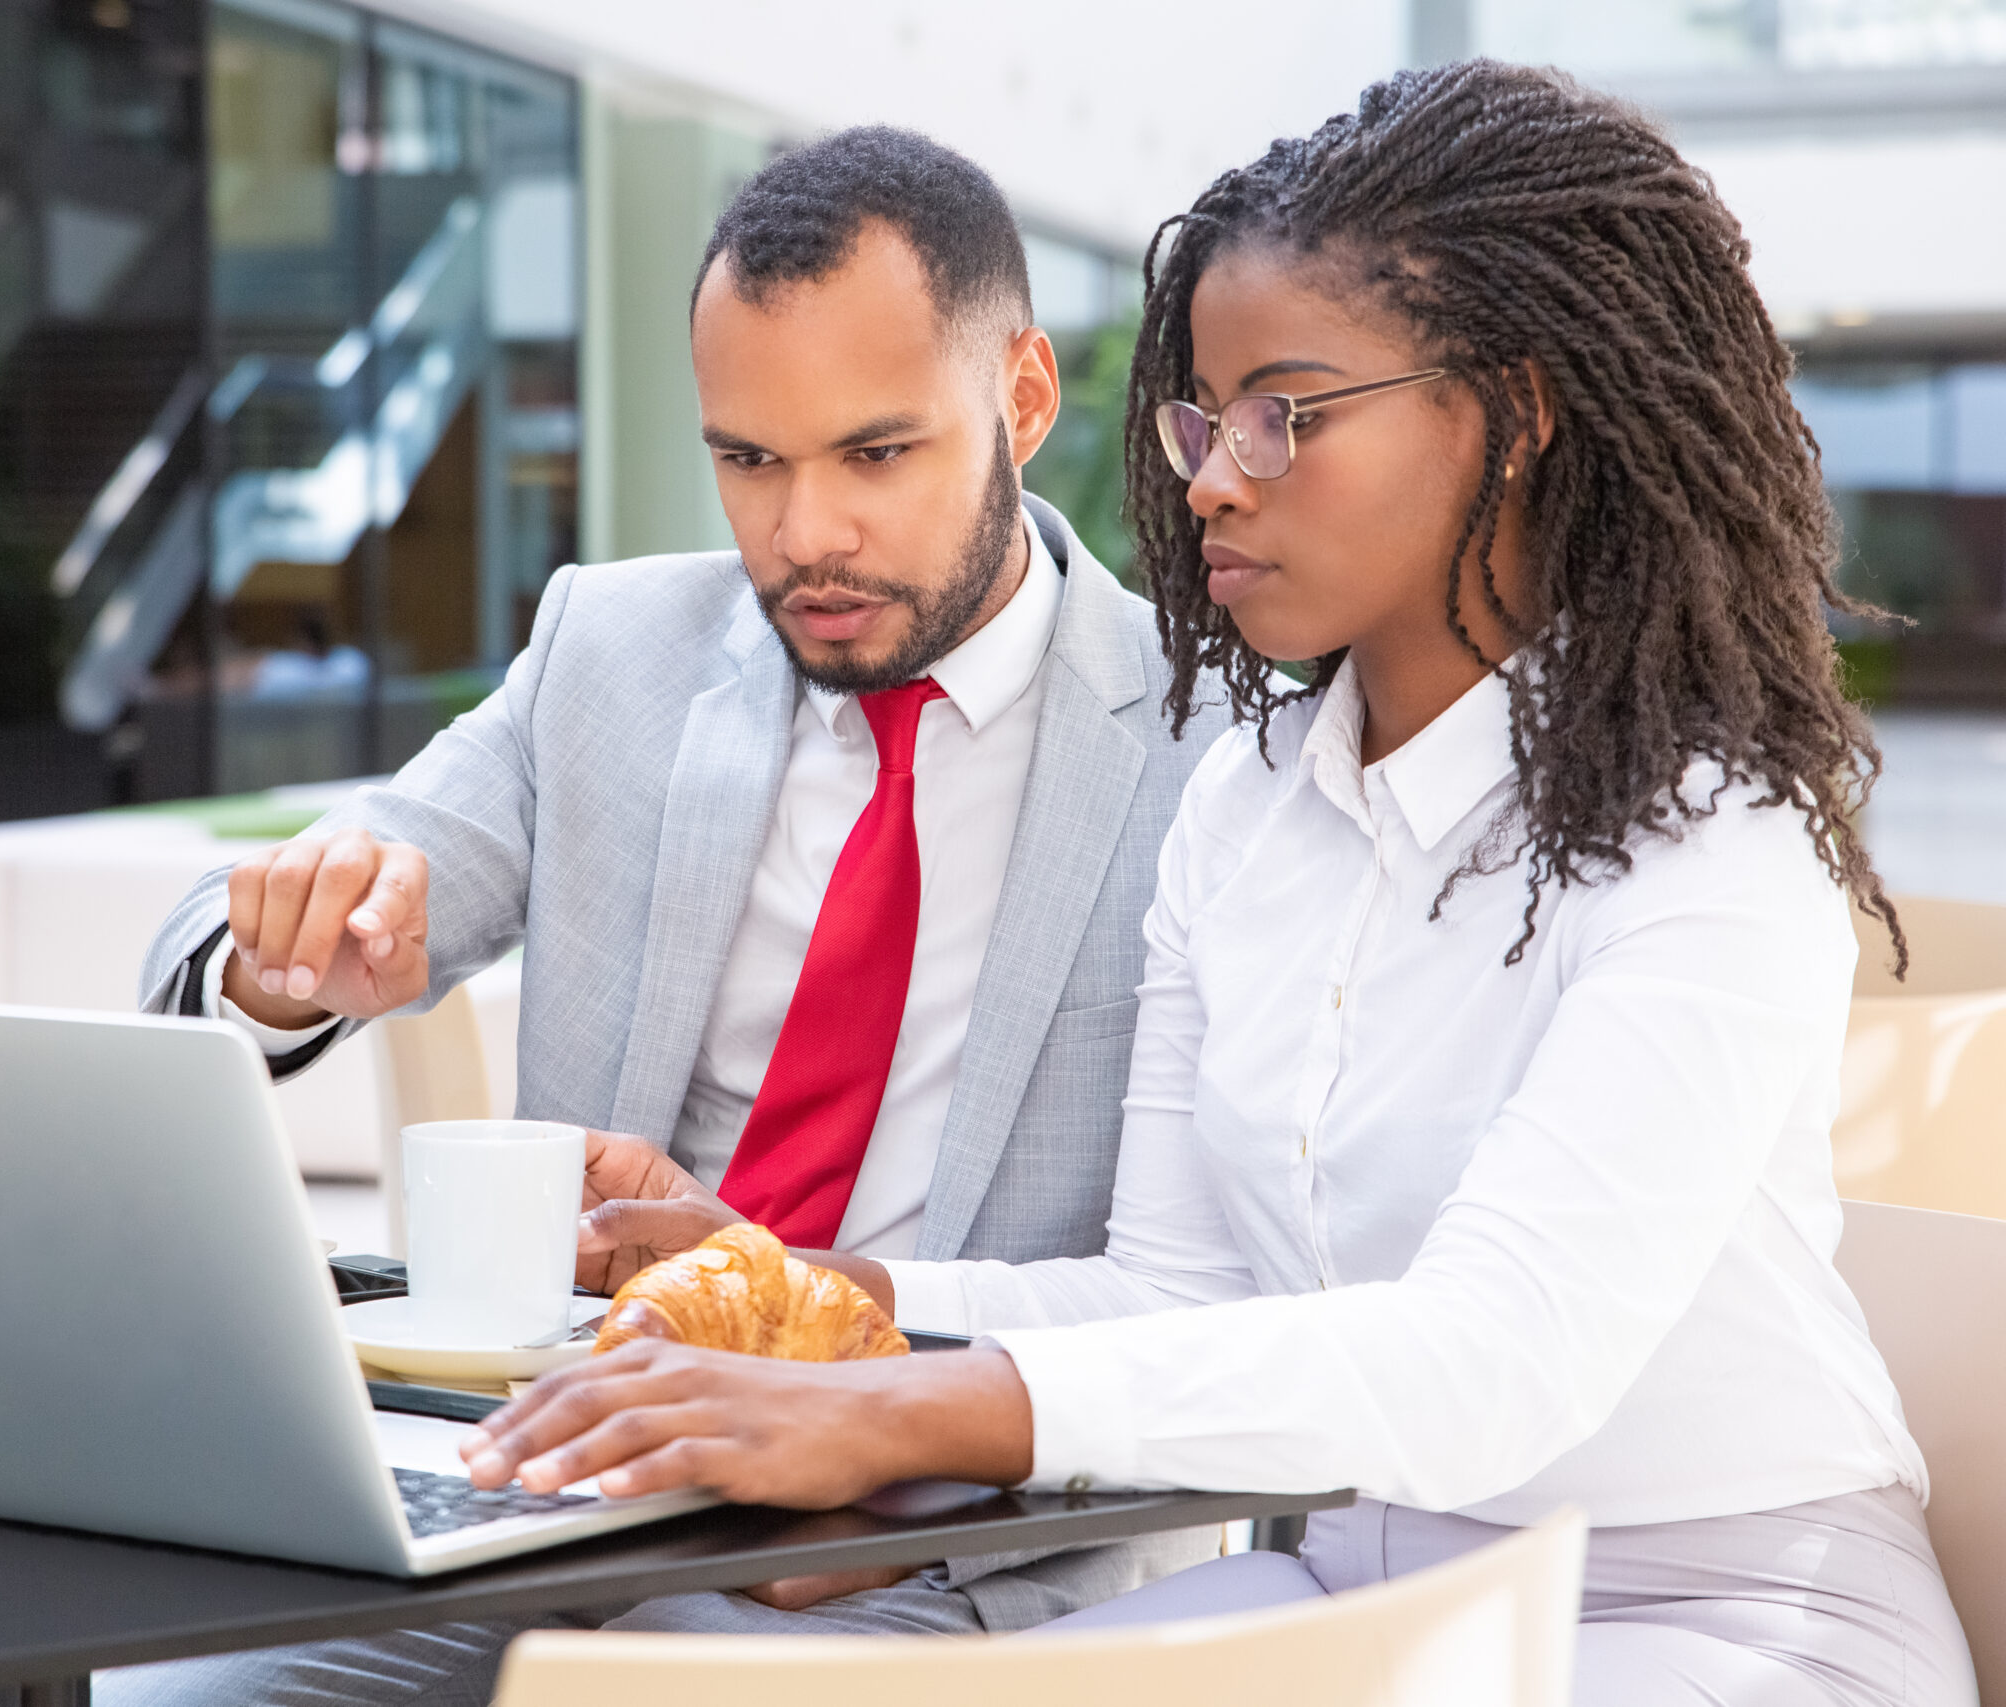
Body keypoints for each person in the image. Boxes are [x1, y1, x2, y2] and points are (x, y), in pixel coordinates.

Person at [441, 63, 1978, 1705]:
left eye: (1286, 415)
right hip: (1344, 1600)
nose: (1212, 479)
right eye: (1205, 417)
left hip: (1720, 1625)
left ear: (1518, 412)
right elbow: (1166, 1291)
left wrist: (892, 1410)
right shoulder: (1241, 808)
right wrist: (812, 1290)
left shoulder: (1715, 835)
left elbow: (1496, 1360)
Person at [114, 127, 1227, 1704]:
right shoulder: (612, 651)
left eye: (876, 453)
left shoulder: (1215, 755)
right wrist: (286, 954)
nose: (803, 535)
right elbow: (329, 878)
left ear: (1024, 400)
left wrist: (819, 1331)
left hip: (952, 1560)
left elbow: (1221, 1294)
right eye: (748, 460)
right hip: (561, 1509)